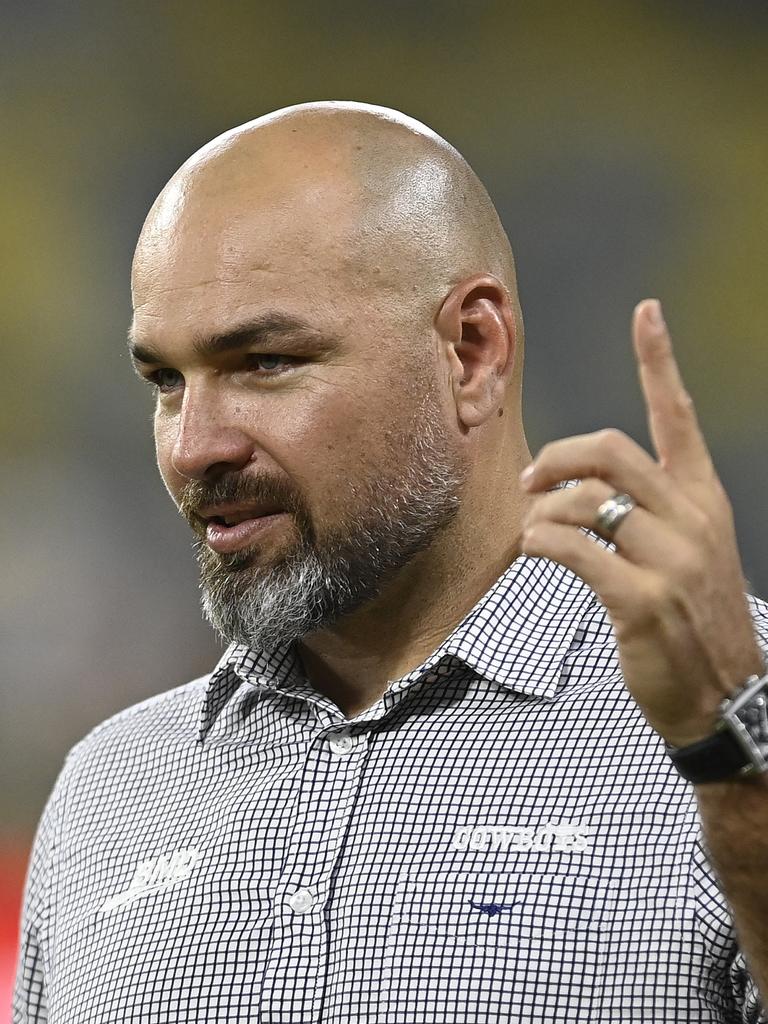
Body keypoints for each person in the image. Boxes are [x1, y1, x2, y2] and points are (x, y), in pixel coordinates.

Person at [12, 100, 768, 1024]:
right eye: (165, 381)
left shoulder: (735, 706)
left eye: (264, 361)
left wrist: (734, 762)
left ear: (471, 351)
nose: (192, 447)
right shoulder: (107, 792)